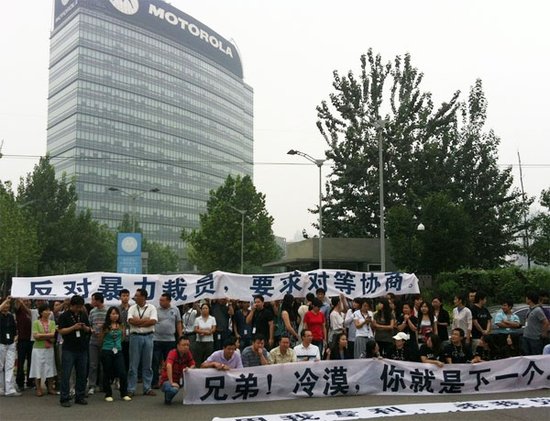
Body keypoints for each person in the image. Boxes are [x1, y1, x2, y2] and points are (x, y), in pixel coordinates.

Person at [57, 295, 92, 407]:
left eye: (80, 307)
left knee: (82, 374)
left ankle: (80, 396)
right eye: (77, 307)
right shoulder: (64, 316)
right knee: (66, 374)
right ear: (71, 305)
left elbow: (89, 328)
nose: (79, 309)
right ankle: (64, 398)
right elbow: (61, 331)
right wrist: (73, 328)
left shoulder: (83, 315)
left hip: (82, 348)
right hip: (69, 349)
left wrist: (85, 328)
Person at [127, 288, 158, 397]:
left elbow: (153, 321)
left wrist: (138, 322)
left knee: (147, 364)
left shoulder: (151, 307)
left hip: (148, 336)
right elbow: (130, 320)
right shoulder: (132, 308)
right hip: (135, 337)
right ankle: (131, 388)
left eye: (137, 295)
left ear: (143, 297)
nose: (135, 297)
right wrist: (146, 321)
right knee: (133, 364)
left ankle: (147, 388)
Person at [99, 306, 131, 402]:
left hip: (118, 350)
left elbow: (122, 338)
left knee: (122, 372)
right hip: (107, 350)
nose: (115, 316)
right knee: (107, 372)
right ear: (109, 315)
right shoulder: (104, 326)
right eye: (113, 314)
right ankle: (108, 393)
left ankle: (124, 393)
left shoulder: (121, 325)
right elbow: (100, 339)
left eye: (116, 314)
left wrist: (117, 346)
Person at [152, 293, 182, 389]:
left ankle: (171, 380)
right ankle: (155, 382)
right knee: (155, 361)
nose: (161, 302)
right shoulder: (155, 309)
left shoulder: (175, 309)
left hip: (170, 340)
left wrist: (180, 336)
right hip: (157, 339)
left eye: (163, 300)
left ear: (169, 301)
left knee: (170, 362)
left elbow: (178, 323)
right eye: (160, 300)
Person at [29, 303, 57, 396]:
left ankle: (50, 388)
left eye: (49, 310)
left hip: (49, 348)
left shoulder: (52, 323)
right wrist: (47, 335)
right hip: (38, 348)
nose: (48, 312)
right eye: (46, 310)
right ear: (41, 312)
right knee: (38, 367)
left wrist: (42, 335)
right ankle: (38, 388)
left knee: (50, 367)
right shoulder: (36, 322)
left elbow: (54, 335)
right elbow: (36, 336)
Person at [160, 335, 195, 405]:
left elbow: (193, 363)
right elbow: (169, 366)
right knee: (173, 389)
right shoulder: (173, 353)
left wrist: (189, 368)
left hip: (181, 379)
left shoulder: (188, 353)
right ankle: (167, 398)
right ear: (178, 346)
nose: (186, 347)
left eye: (188, 345)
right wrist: (171, 382)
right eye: (184, 345)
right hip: (167, 380)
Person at [0, 297, 21, 397]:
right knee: (0, 366)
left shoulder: (10, 316)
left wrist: (15, 337)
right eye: (5, 304)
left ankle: (9, 389)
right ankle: (1, 388)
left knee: (10, 366)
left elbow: (14, 328)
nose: (7, 306)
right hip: (1, 343)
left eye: (9, 304)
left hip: (11, 343)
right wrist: (6, 300)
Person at [87, 292, 107, 395]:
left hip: (105, 342)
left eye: (93, 299)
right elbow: (89, 325)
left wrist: (104, 332)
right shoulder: (92, 312)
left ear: (98, 300)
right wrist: (92, 330)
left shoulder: (108, 311)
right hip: (93, 341)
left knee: (104, 365)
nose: (92, 301)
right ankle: (92, 385)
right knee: (93, 364)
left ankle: (103, 385)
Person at [14, 298, 34, 391]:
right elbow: (17, 304)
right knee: (21, 363)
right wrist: (19, 300)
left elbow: (29, 313)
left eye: (28, 300)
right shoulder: (19, 311)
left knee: (31, 362)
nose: (27, 302)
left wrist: (23, 303)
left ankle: (30, 382)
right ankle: (20, 382)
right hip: (22, 340)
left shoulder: (33, 312)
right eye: (25, 301)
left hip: (32, 340)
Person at [118, 289, 131, 373]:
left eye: (127, 295)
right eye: (123, 296)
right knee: (120, 358)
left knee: (129, 358)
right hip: (119, 337)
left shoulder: (133, 308)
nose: (126, 298)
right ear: (120, 297)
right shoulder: (117, 309)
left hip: (131, 337)